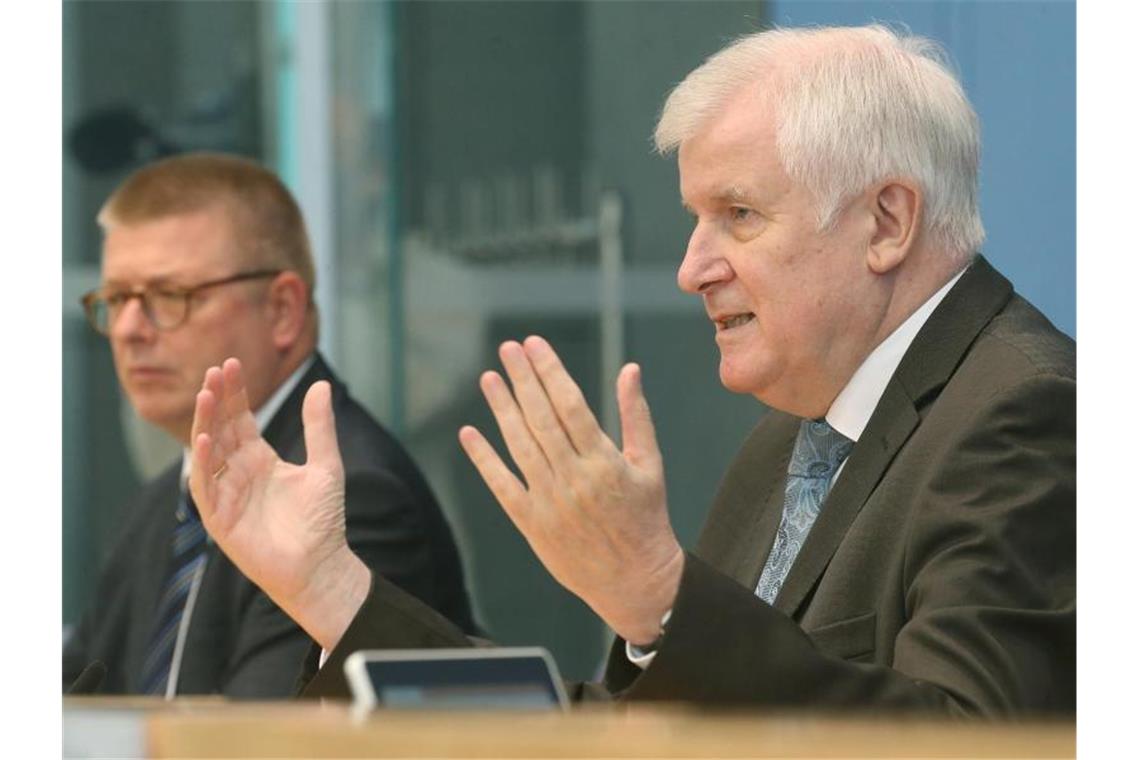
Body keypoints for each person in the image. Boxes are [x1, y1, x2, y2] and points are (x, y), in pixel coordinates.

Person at [187, 26, 1074, 715]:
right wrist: (332, 592)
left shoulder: (1029, 414)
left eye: (738, 214)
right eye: (696, 218)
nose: (692, 267)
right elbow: (629, 732)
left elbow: (964, 740)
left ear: (888, 222)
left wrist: (659, 599)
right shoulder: (787, 444)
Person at [63, 153, 476, 698]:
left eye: (170, 296)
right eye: (116, 300)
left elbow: (261, 742)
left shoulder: (343, 494)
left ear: (282, 310)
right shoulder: (164, 500)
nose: (130, 330)